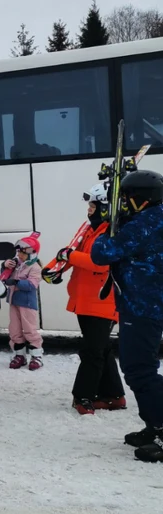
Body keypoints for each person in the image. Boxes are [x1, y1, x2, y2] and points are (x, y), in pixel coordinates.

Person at [91, 170, 163, 463]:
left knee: (139, 369)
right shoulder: (153, 218)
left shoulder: (144, 223)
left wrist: (104, 225)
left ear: (142, 199)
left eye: (126, 198)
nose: (122, 204)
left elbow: (102, 252)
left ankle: (160, 427)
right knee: (141, 367)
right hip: (147, 303)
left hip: (142, 306)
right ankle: (153, 424)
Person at [58, 184, 124, 415]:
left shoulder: (113, 231)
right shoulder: (89, 229)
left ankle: (83, 396)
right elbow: (71, 253)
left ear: (105, 208)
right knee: (101, 348)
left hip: (103, 301)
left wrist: (71, 256)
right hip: (85, 299)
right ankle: (114, 396)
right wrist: (55, 270)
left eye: (93, 205)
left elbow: (101, 262)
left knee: (92, 351)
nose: (89, 210)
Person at [3, 235, 43, 370]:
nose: (19, 255)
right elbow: (5, 275)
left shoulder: (35, 267)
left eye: (22, 252)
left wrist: (16, 282)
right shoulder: (17, 265)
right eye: (18, 252)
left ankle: (36, 356)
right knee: (14, 329)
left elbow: (32, 285)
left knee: (30, 329)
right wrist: (5, 266)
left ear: (31, 253)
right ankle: (19, 355)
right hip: (14, 302)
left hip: (27, 304)